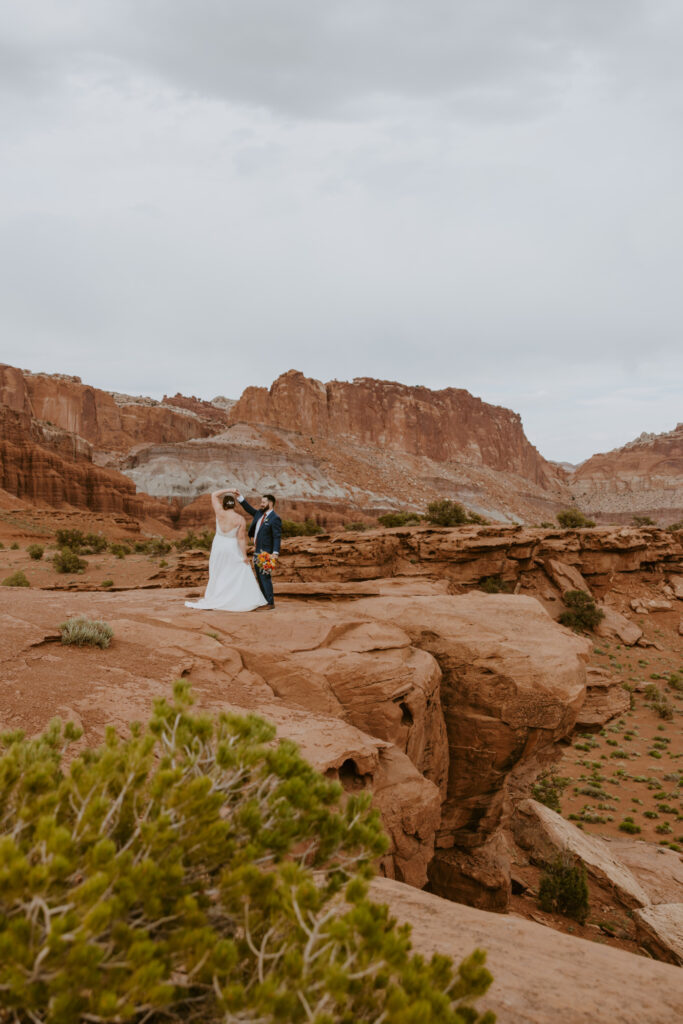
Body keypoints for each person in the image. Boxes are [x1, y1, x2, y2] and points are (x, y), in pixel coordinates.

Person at [185, 490, 267, 612]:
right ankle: (234, 598)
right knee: (234, 571)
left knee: (218, 571)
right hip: (231, 546)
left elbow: (213, 494)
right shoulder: (240, 519)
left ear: (223, 504)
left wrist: (230, 490)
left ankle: (218, 596)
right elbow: (240, 538)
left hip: (218, 545)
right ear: (234, 504)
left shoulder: (219, 512)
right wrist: (244, 556)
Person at [231, 491, 282, 609]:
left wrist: (275, 553)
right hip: (257, 551)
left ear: (270, 503)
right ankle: (264, 601)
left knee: (265, 577)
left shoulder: (275, 518)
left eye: (264, 502)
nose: (261, 504)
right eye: (261, 502)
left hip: (267, 552)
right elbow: (249, 509)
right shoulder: (259, 514)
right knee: (259, 577)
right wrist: (240, 498)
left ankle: (270, 603)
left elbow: (277, 537)